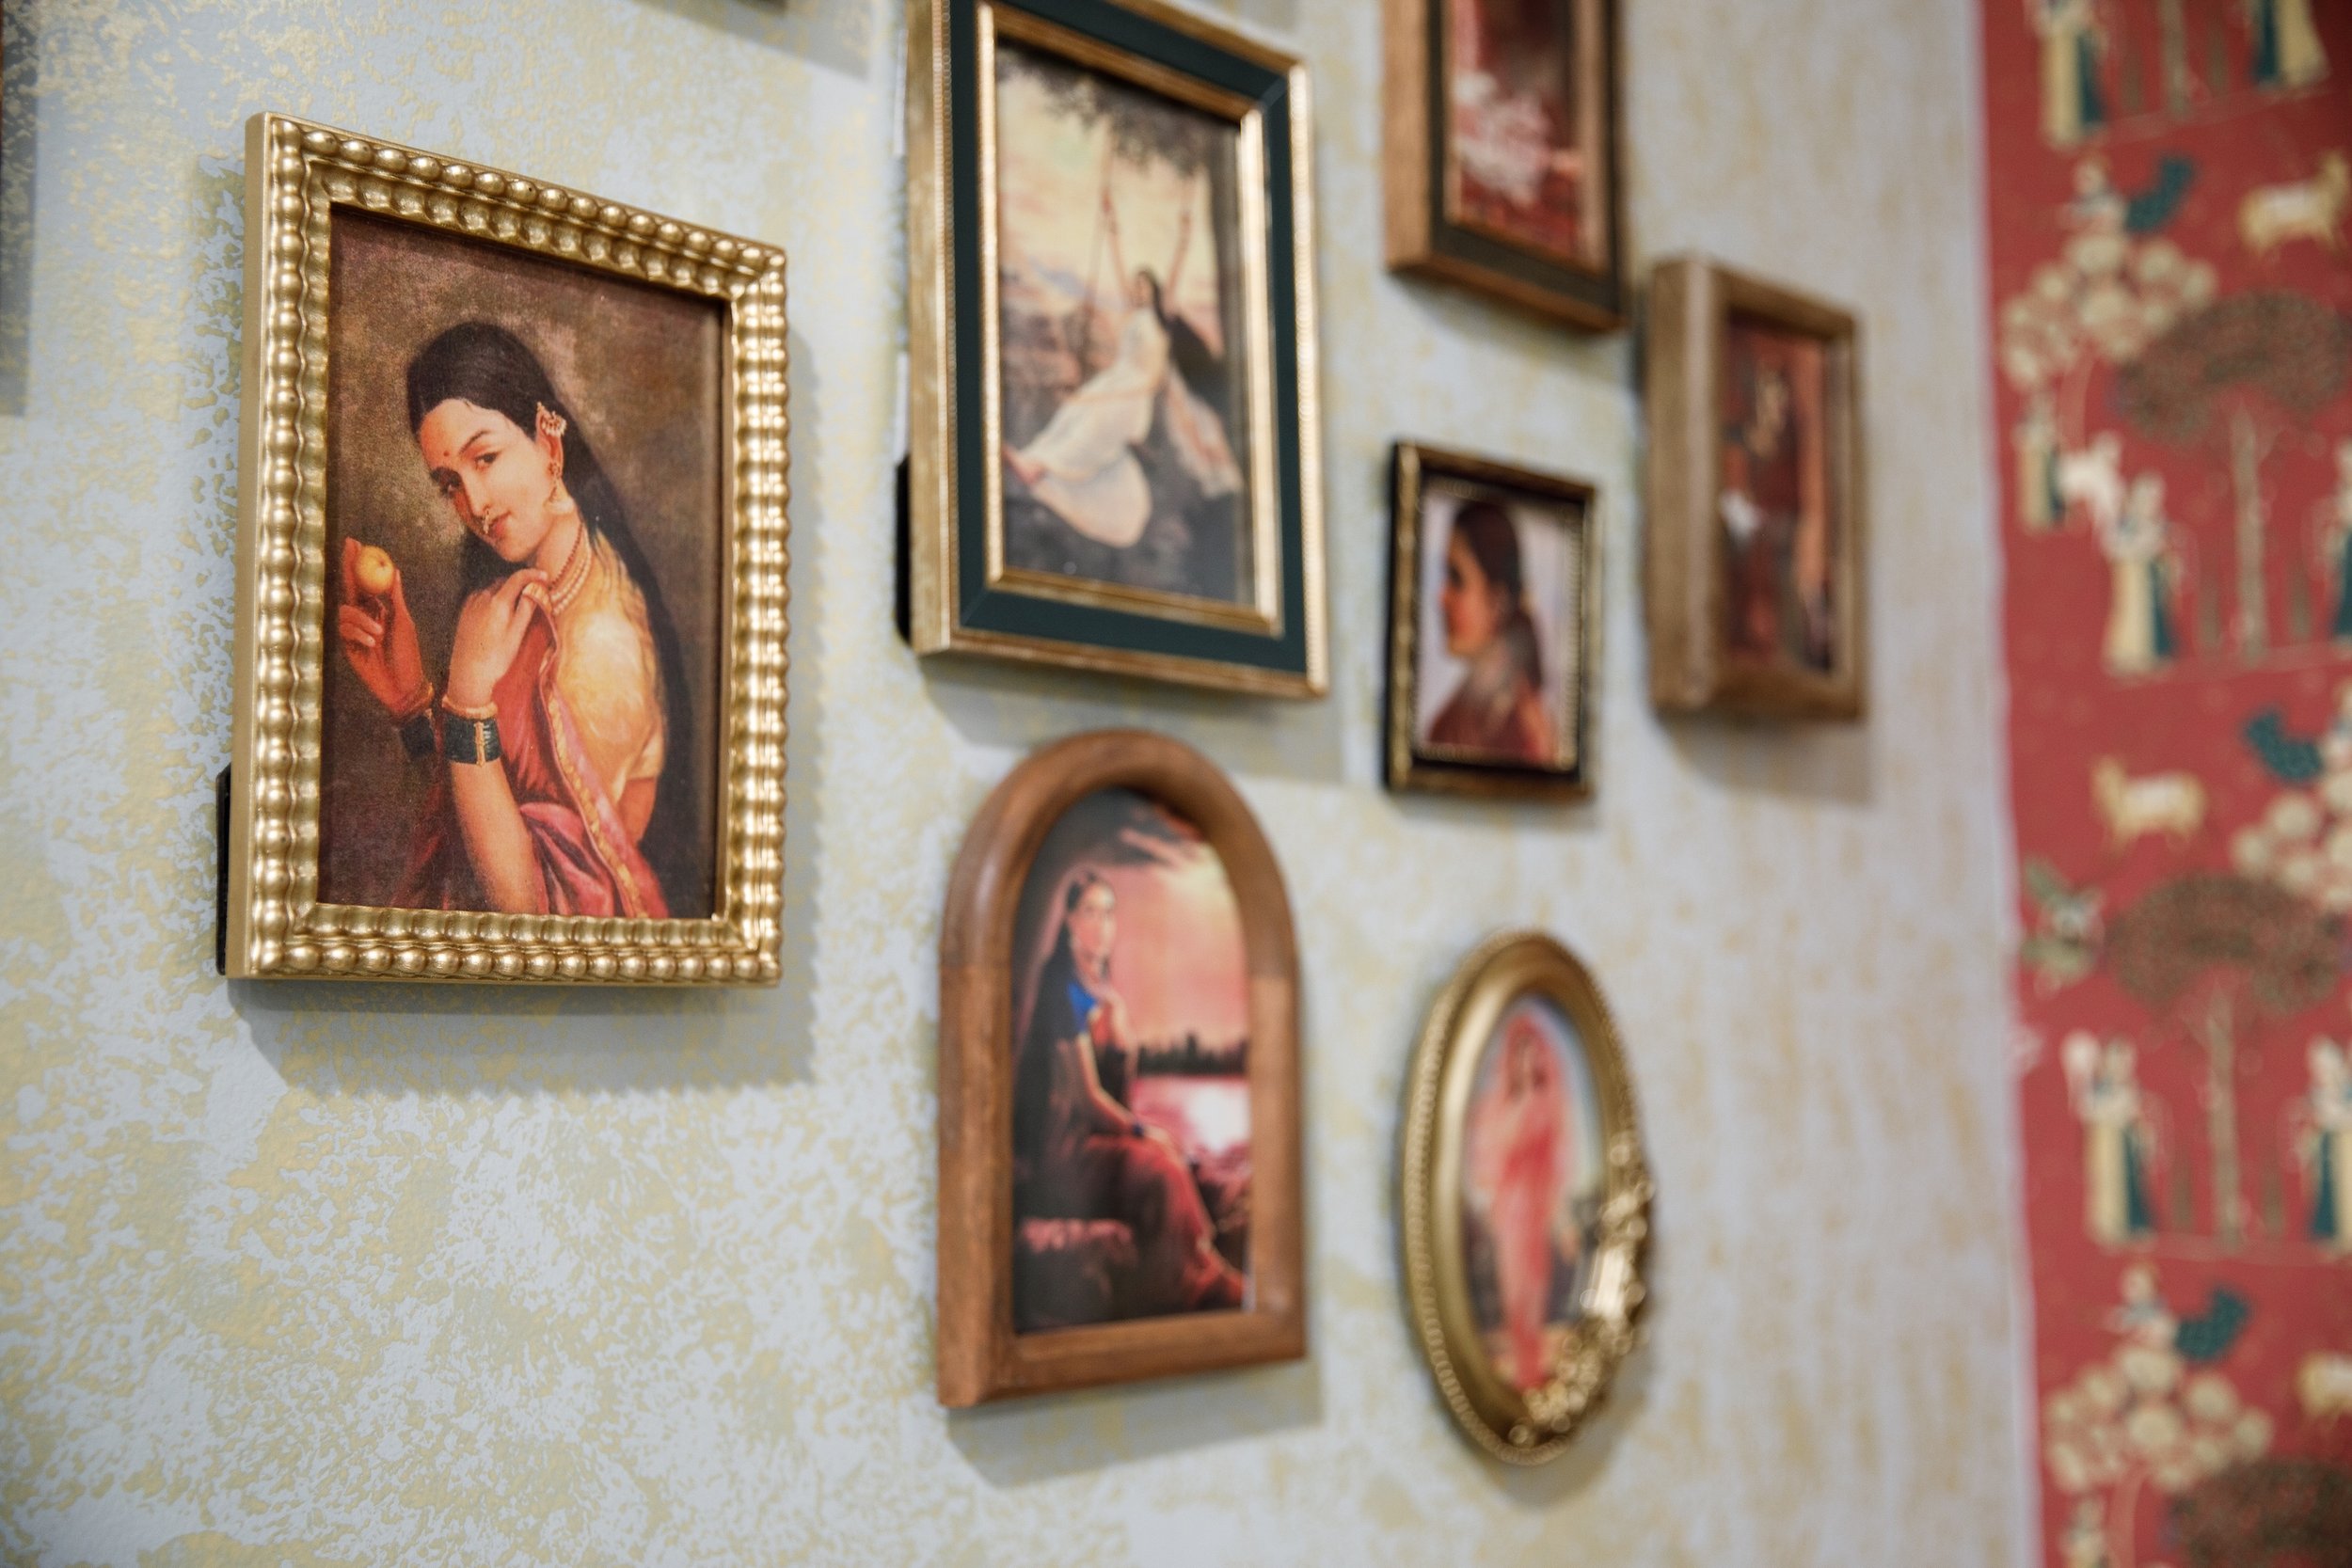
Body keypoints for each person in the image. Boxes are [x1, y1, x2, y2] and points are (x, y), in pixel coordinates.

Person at [333, 322, 693, 919]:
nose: (474, 505)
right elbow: (465, 819)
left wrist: (470, 698)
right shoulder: (519, 594)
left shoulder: (601, 644)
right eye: (450, 484)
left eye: (487, 458)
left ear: (549, 443)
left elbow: (524, 910)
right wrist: (410, 702)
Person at [1011, 870, 1246, 1321]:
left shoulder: (1104, 992)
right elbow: (1086, 1099)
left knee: (1185, 1160)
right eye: (1089, 913)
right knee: (1160, 1167)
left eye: (1108, 914)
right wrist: (1142, 1133)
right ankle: (1192, 1283)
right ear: (1069, 921)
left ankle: (1201, 1263)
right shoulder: (1061, 990)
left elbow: (1120, 1091)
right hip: (1066, 1150)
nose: (1101, 925)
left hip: (1100, 1139)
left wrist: (1147, 1131)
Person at [1003, 184, 1240, 550]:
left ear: (1155, 289)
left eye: (1145, 285)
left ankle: (1040, 467)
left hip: (1136, 391)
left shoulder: (1162, 317)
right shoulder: (1133, 312)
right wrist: (1111, 226)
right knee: (1075, 410)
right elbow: (1116, 262)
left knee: (1096, 421)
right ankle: (1034, 462)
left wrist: (1183, 236)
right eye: (1137, 285)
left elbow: (1175, 269)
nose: (1140, 290)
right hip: (1117, 381)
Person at [1469, 1014, 1575, 1391]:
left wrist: (1562, 1219)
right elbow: (1489, 1157)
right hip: (1510, 1210)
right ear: (1511, 1059)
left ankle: (1531, 1370)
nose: (1528, 1060)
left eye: (1533, 1052)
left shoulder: (1548, 1104)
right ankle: (1523, 1370)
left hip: (1537, 1208)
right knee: (1515, 1290)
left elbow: (1558, 1164)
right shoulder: (1499, 1105)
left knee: (1536, 1291)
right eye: (1521, 1053)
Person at [1425, 499, 1557, 764]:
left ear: (1497, 601)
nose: (1442, 598)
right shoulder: (1464, 715)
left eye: (1456, 579)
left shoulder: (1518, 726)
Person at [2098, 474, 2178, 675]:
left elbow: (2164, 543)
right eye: (2150, 498)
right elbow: (2113, 546)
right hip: (2132, 576)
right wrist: (2139, 549)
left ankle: (2153, 653)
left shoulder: (2157, 522)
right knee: (2131, 615)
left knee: (2154, 614)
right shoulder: (2127, 523)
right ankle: (2129, 656)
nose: (2153, 503)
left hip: (2150, 575)